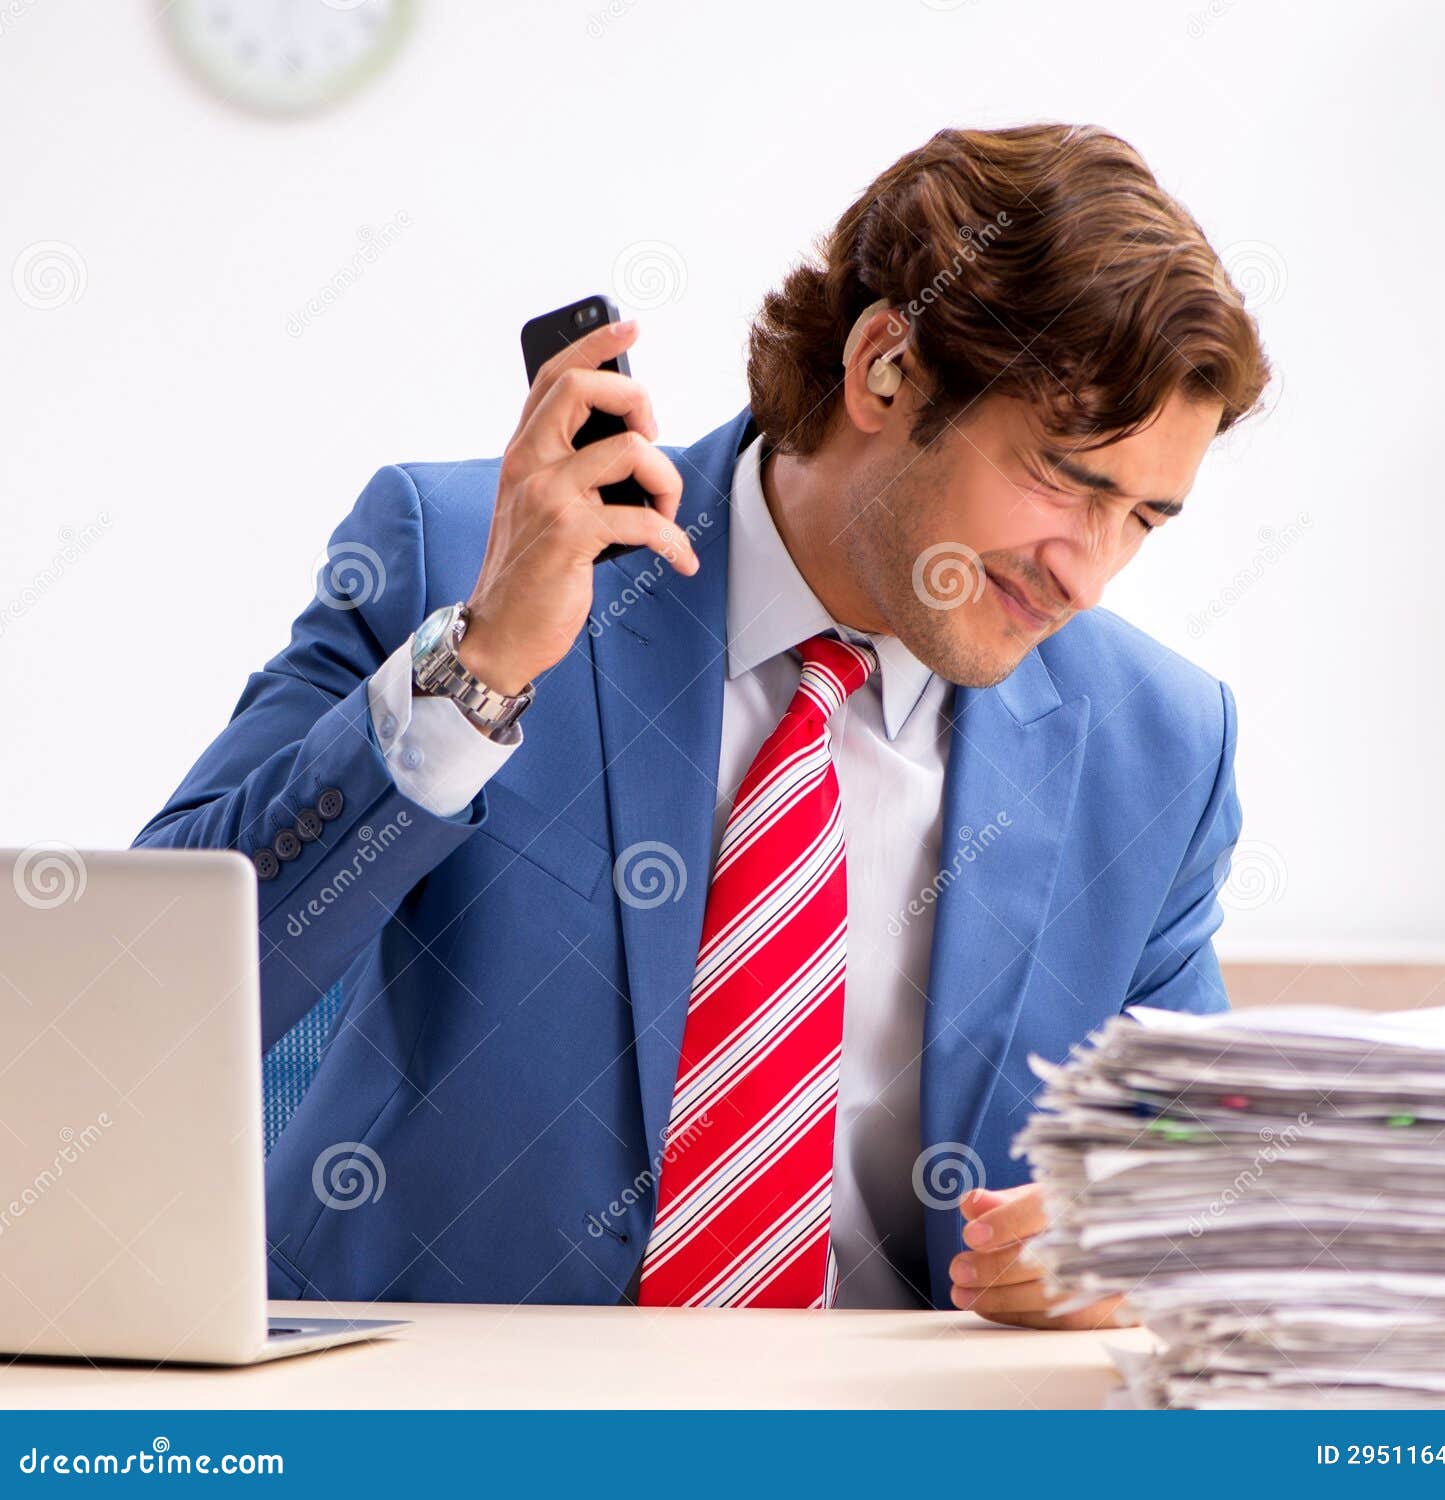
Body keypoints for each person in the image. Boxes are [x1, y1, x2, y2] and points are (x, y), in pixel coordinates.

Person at [137, 122, 1271, 1327]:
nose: (1085, 573)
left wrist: (1137, 1248)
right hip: (447, 1402)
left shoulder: (1156, 747)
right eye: (1064, 480)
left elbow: (1196, 1178)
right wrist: (480, 667)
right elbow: (153, 998)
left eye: (1141, 519)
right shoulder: (459, 559)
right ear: (885, 367)